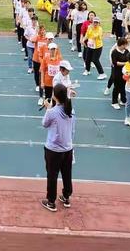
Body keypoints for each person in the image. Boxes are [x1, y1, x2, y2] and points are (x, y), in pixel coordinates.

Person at [41, 84, 75, 212]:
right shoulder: (70, 109)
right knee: (67, 173)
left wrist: (48, 108)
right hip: (67, 148)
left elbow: (44, 124)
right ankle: (66, 197)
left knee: (52, 175)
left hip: (53, 149)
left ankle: (51, 201)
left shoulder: (52, 112)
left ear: (54, 96)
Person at [110, 37, 129, 109]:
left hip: (124, 72)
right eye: (124, 45)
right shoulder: (114, 52)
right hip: (117, 72)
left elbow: (129, 59)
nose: (125, 46)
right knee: (117, 87)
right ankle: (114, 102)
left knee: (124, 86)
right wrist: (125, 63)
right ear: (121, 45)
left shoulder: (126, 51)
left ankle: (123, 100)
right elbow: (115, 63)